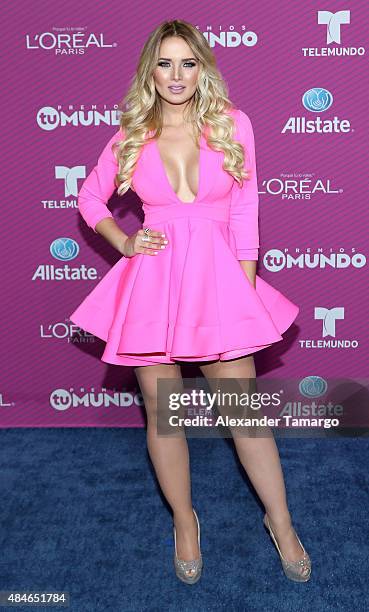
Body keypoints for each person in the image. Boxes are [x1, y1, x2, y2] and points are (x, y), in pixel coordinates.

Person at [69, 19, 311, 584]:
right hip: (154, 281)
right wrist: (125, 241)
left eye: (188, 63)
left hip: (219, 279)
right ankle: (184, 521)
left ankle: (282, 522)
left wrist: (243, 283)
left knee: (245, 415)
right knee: (163, 414)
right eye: (165, 63)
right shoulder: (131, 132)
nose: (176, 76)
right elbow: (89, 195)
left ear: (203, 68)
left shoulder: (233, 124)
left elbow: (247, 207)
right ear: (149, 71)